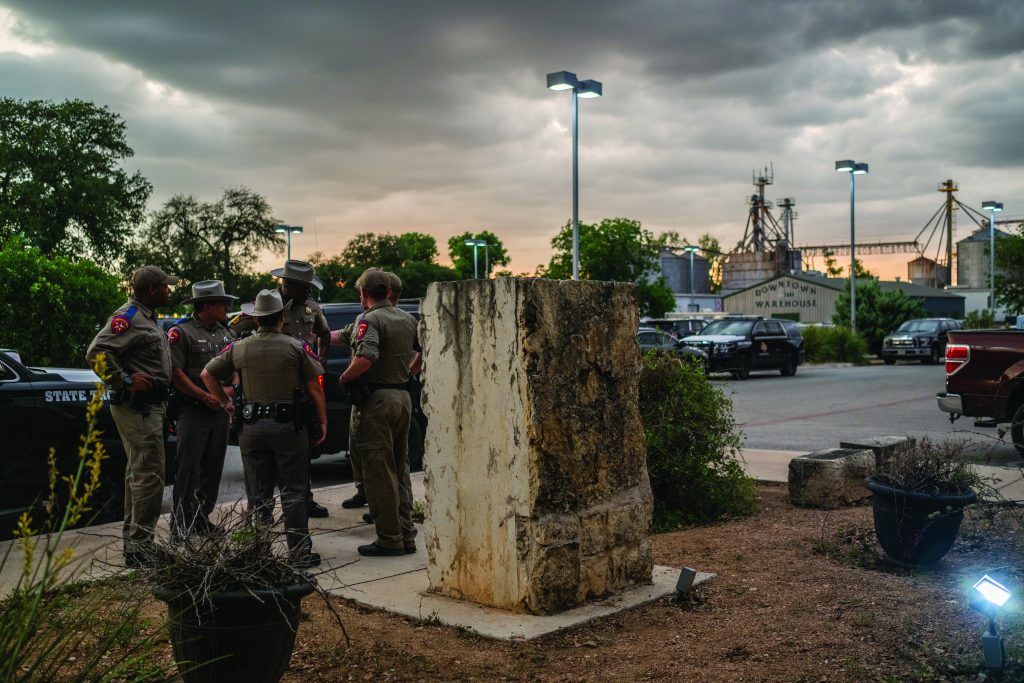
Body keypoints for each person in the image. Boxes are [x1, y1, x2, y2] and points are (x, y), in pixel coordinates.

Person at [202, 289, 327, 568]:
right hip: (289, 427)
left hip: (252, 428)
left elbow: (207, 374)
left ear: (256, 319)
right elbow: (314, 387)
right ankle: (299, 553)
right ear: (281, 317)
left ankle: (258, 553)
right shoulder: (296, 347)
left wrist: (225, 402)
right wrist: (322, 421)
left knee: (258, 493)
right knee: (294, 491)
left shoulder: (238, 347)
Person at [86, 265, 178, 567]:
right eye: (165, 286)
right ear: (151, 290)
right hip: (137, 406)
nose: (169, 290)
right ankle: (140, 549)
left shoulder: (146, 319)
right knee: (150, 476)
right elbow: (96, 352)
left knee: (139, 476)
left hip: (150, 407)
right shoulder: (129, 318)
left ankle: (136, 545)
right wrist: (124, 380)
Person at [231, 259, 331, 519]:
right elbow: (234, 333)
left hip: (303, 385)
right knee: (268, 459)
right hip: (271, 386)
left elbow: (325, 333)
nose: (309, 292)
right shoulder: (267, 306)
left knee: (303, 447)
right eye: (304, 287)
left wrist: (321, 359)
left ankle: (304, 500)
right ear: (289, 285)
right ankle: (265, 510)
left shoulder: (311, 308)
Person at [339, 269, 419, 557]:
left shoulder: (371, 320)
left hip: (377, 401)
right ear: (388, 291)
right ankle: (406, 534)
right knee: (400, 469)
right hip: (403, 396)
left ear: (364, 293)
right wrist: (409, 371)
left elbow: (366, 356)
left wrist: (345, 377)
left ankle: (389, 538)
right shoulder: (407, 318)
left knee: (378, 472)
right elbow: (423, 349)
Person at [167, 280, 238, 537]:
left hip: (219, 410)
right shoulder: (181, 332)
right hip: (193, 409)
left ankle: (200, 518)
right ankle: (181, 525)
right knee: (188, 469)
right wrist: (204, 395)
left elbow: (235, 366)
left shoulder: (225, 332)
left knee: (213, 468)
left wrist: (232, 392)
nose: (227, 308)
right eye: (222, 303)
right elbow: (176, 373)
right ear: (206, 305)